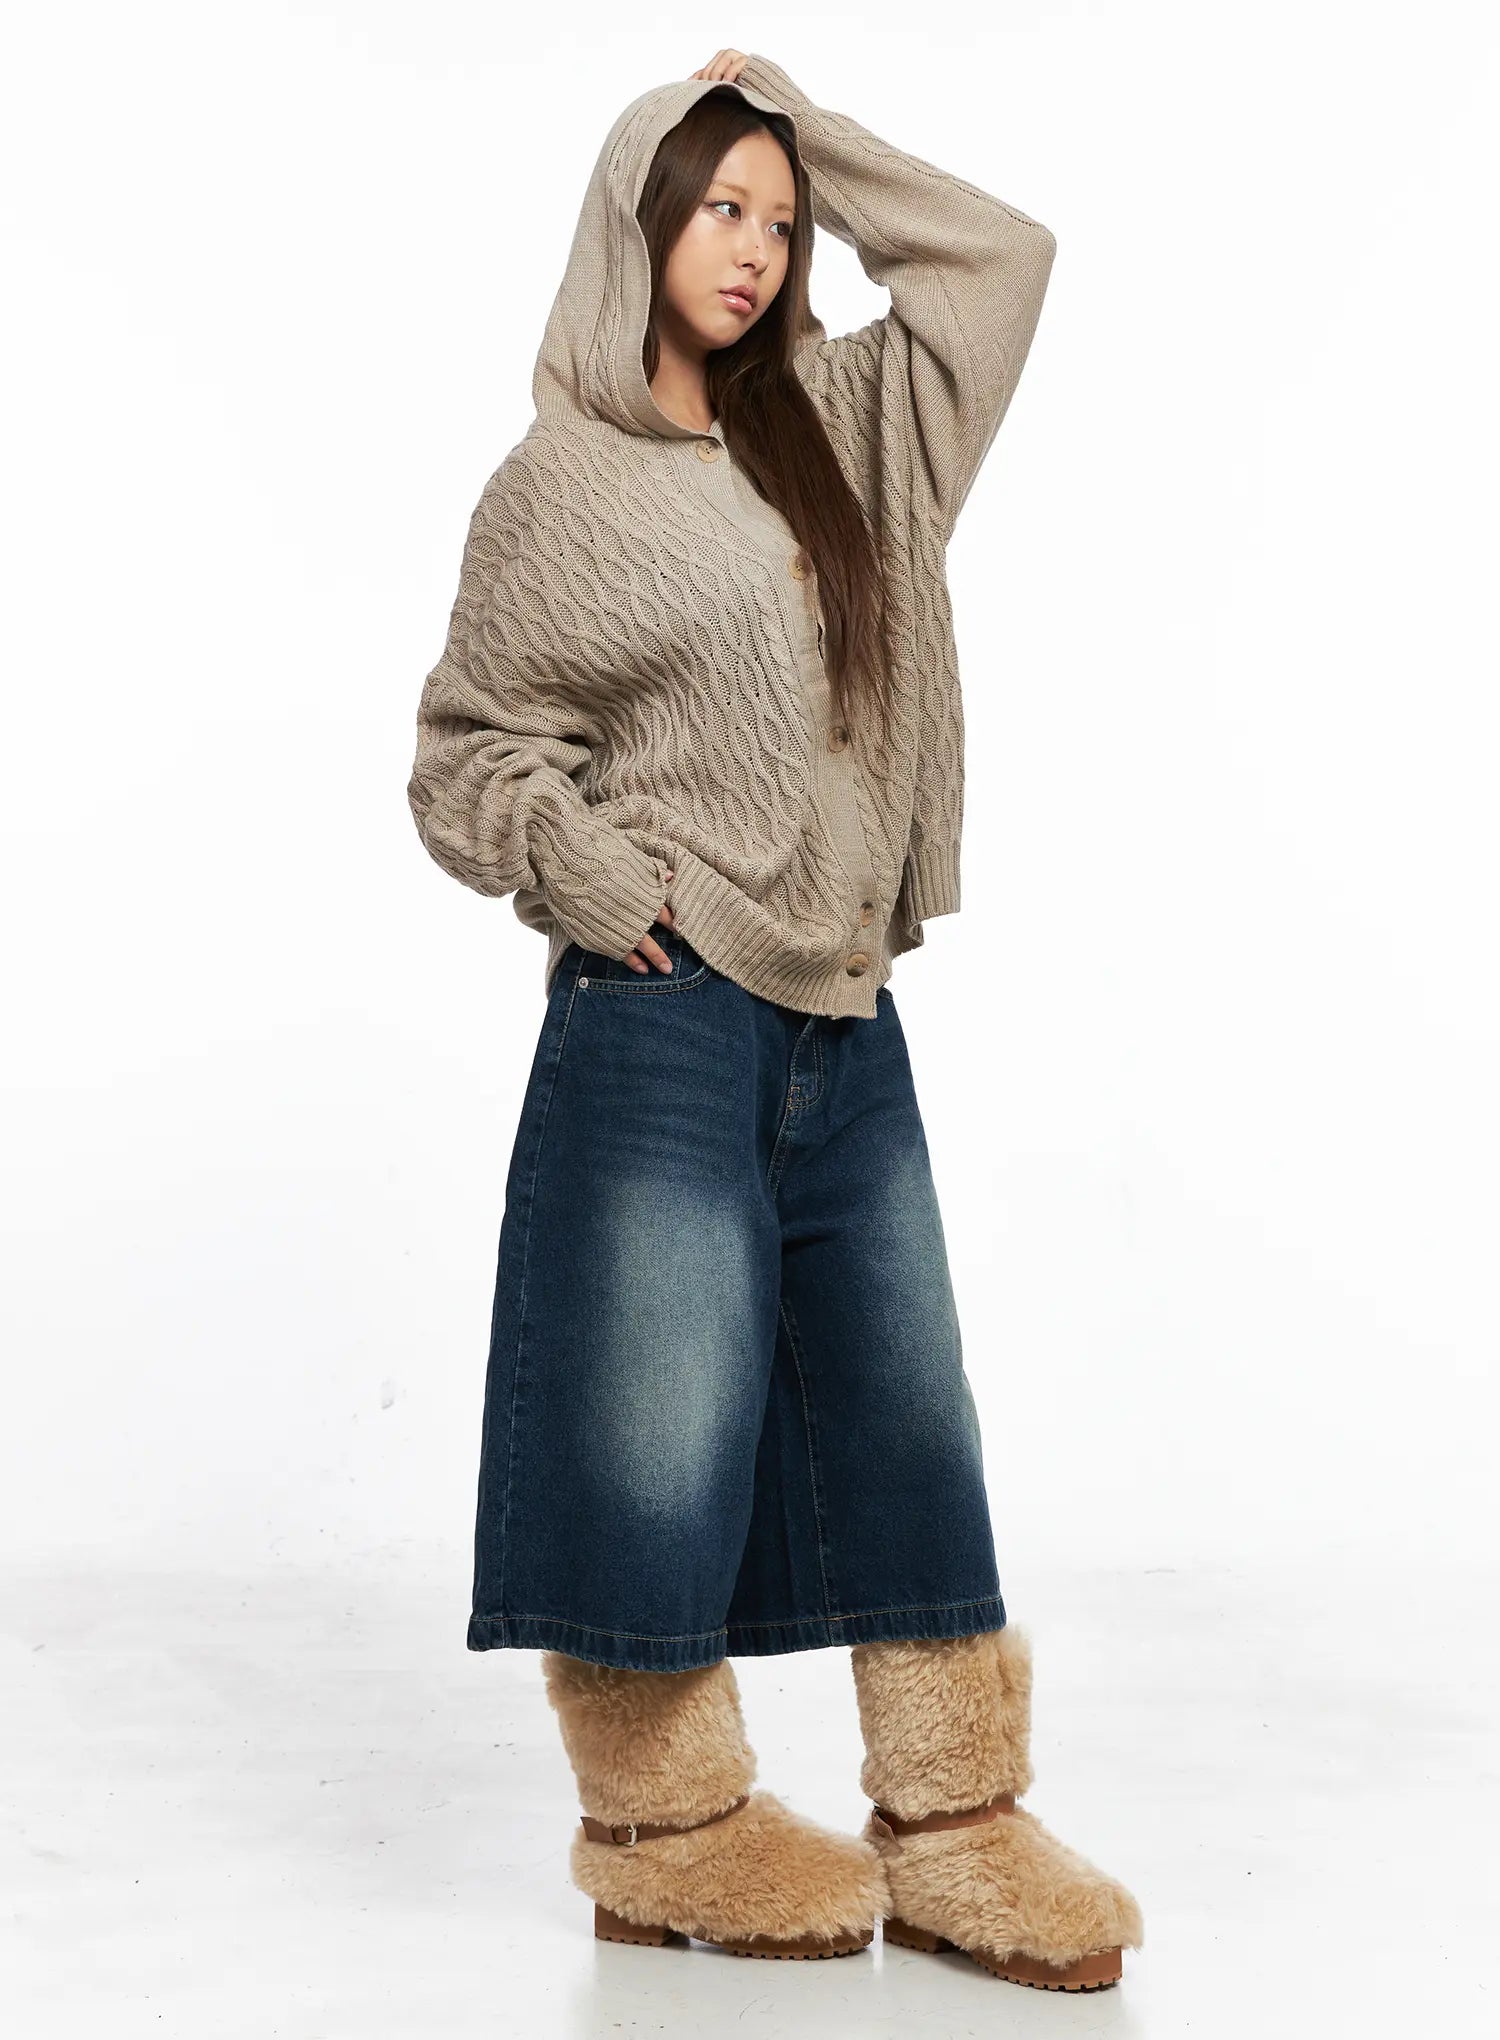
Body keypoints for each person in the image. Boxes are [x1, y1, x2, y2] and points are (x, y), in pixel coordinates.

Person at [407, 45, 1143, 1990]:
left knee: (903, 1406)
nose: (753, 245)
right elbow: (466, 757)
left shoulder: (851, 423)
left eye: (780, 218)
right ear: (638, 221)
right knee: (649, 1420)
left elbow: (1001, 261)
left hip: (841, 1007)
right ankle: (663, 1829)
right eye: (718, 206)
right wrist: (588, 875)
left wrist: (813, 126)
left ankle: (955, 1821)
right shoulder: (557, 489)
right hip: (659, 1013)